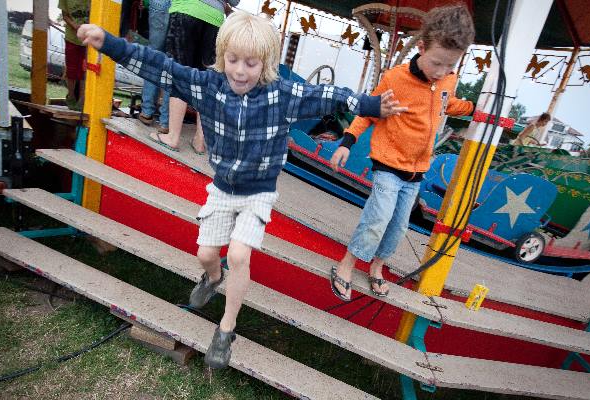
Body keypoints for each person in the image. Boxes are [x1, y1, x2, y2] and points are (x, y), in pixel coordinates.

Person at [78, 11, 402, 369]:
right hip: (222, 188)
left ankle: (226, 329)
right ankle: (212, 278)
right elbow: (160, 67)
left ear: (264, 64)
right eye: (232, 60)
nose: (240, 71)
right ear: (221, 57)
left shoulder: (281, 94)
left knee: (238, 255)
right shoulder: (208, 85)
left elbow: (326, 96)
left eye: (251, 63)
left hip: (259, 192)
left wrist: (372, 105)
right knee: (206, 253)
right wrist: (109, 44)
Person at [329, 4, 475, 301]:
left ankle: (377, 267)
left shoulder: (447, 79)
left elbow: (448, 102)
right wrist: (347, 142)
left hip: (417, 169)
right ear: (421, 48)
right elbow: (368, 111)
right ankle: (347, 263)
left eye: (450, 66)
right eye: (436, 63)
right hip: (388, 162)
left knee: (398, 226)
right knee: (378, 217)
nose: (441, 72)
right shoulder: (396, 79)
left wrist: (473, 108)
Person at [150, 0, 240, 153]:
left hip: (187, 9)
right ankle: (200, 141)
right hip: (214, 18)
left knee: (178, 74)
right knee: (206, 81)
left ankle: (173, 137)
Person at [137, 0, 172, 130]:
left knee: (154, 56)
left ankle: (146, 111)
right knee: (173, 62)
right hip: (181, 5)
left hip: (159, 3)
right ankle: (165, 121)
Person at [59, 0, 90, 111]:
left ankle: (82, 98)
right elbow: (65, 15)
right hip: (72, 38)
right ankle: (71, 96)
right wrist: (76, 26)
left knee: (85, 69)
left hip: (88, 38)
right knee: (72, 70)